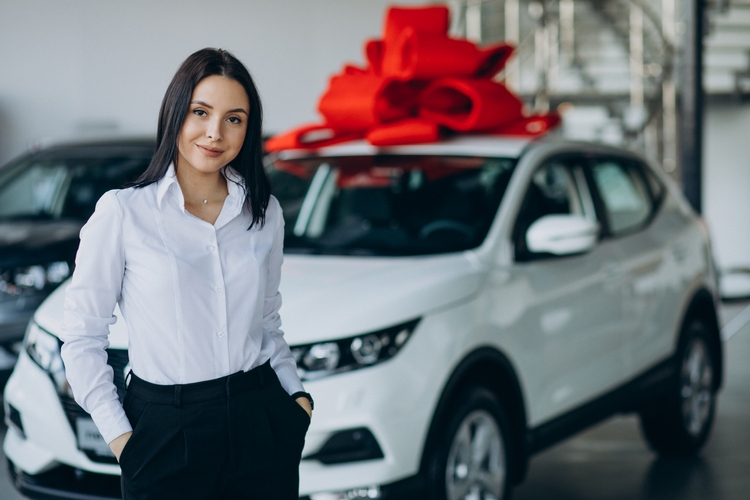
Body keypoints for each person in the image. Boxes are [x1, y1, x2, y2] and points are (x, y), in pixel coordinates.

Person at [59, 48, 313, 500]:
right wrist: (121, 439)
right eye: (201, 112)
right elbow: (81, 338)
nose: (215, 133)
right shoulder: (122, 213)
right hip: (163, 431)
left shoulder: (263, 212)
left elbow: (268, 320)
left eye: (234, 118)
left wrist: (297, 401)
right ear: (176, 111)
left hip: (262, 420)